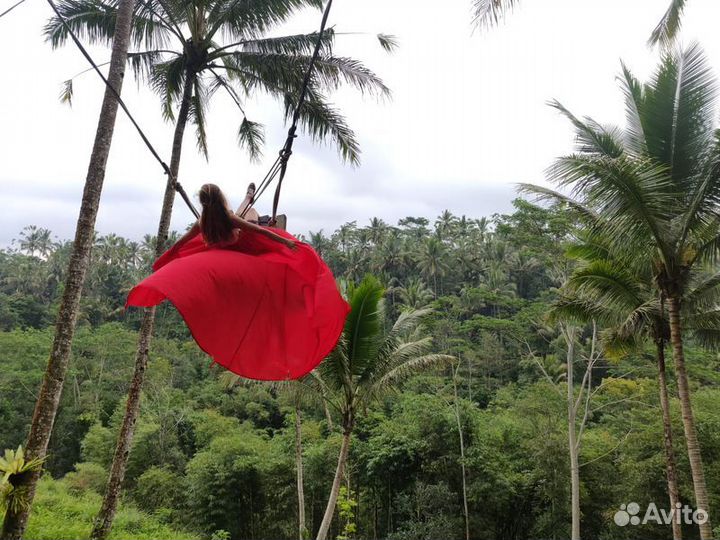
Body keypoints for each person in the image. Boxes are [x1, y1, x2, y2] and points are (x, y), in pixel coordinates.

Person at [126, 183, 350, 381]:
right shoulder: (228, 218)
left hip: (226, 242)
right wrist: (286, 242)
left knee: (245, 212)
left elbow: (180, 244)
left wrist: (165, 258)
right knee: (249, 215)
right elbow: (257, 231)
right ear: (221, 200)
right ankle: (248, 199)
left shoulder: (202, 222)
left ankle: (248, 197)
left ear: (204, 204)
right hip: (243, 246)